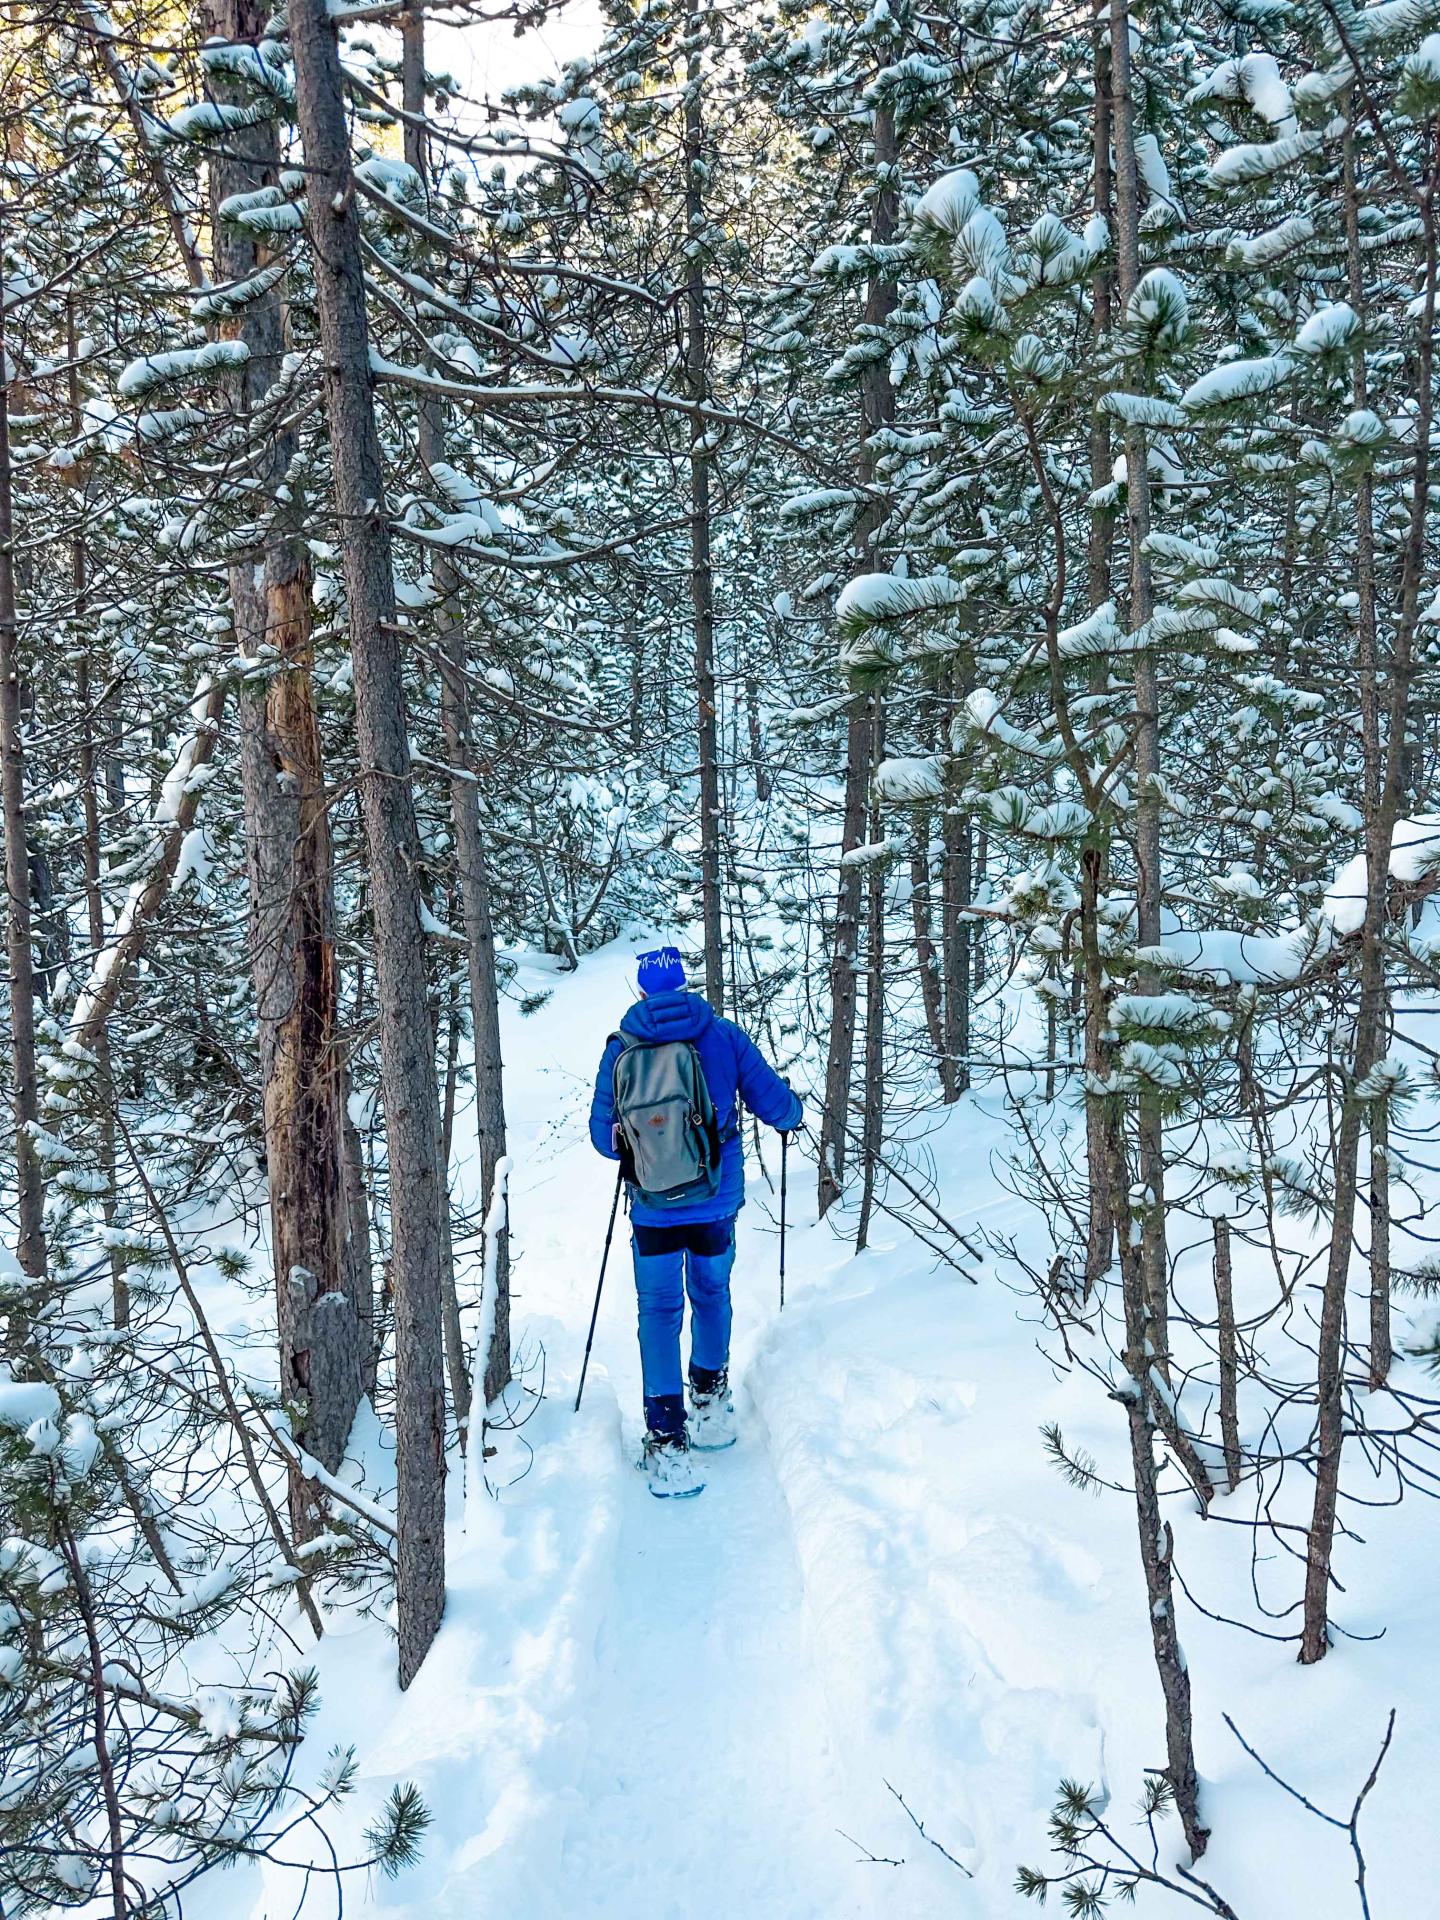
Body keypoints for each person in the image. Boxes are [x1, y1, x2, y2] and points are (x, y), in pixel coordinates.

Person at [589, 945, 802, 1498]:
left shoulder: (620, 1049)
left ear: (640, 992)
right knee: (711, 1295)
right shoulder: (723, 1035)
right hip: (715, 1201)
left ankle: (666, 1441)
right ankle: (710, 1406)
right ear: (685, 984)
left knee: (658, 1311)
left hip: (653, 1209)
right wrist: (792, 1115)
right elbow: (775, 1104)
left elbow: (601, 1138)